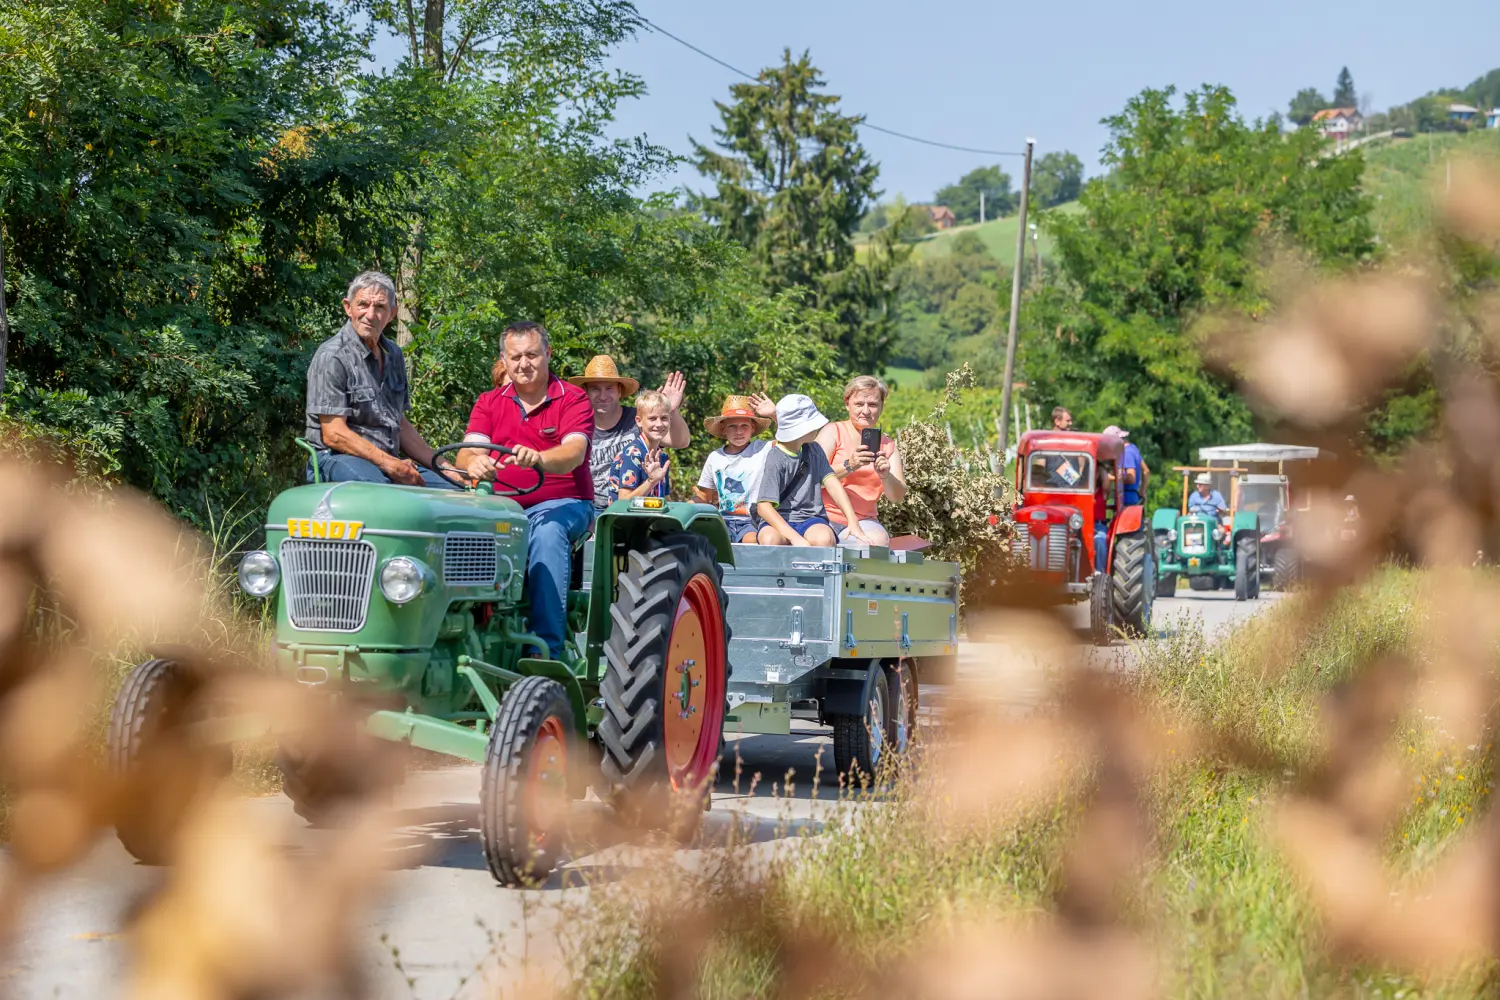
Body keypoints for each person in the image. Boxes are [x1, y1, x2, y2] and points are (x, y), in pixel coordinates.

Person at [459, 321, 595, 661]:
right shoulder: (489, 402)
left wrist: (540, 459)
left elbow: (573, 454)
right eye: (516, 356)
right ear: (503, 361)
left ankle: (545, 651)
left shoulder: (572, 398)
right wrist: (473, 463)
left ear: (547, 354)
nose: (524, 364)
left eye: (532, 354)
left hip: (564, 503)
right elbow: (466, 452)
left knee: (547, 533)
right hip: (500, 506)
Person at [303, 270, 459, 487]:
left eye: (379, 307)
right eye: (363, 304)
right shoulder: (333, 356)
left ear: (392, 313)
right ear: (348, 307)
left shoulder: (394, 355)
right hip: (335, 459)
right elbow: (334, 434)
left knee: (454, 489)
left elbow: (399, 424)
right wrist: (391, 465)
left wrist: (444, 467)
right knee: (379, 493)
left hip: (385, 461)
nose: (370, 314)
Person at [570, 355, 690, 510]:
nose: (603, 395)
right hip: (593, 508)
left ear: (619, 391)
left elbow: (681, 441)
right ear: (585, 392)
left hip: (638, 509)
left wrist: (671, 410)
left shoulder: (639, 420)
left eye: (609, 388)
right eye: (595, 389)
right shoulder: (577, 427)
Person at [755, 395, 871, 548]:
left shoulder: (815, 450)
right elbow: (763, 507)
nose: (817, 428)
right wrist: (795, 538)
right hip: (779, 519)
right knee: (770, 539)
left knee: (824, 539)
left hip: (810, 518)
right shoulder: (776, 458)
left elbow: (833, 484)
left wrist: (852, 521)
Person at [817, 375, 907, 546]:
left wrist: (886, 476)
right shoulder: (832, 432)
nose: (866, 411)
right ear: (847, 403)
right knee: (823, 540)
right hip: (823, 516)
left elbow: (897, 496)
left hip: (864, 519)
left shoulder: (888, 445)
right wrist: (849, 465)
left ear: (881, 407)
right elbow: (811, 477)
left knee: (878, 542)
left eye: (872, 404)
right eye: (859, 404)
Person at [694, 394, 776, 544]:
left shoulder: (762, 449)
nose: (739, 432)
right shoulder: (715, 457)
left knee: (751, 542)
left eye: (744, 426)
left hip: (752, 521)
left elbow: (790, 441)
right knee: (707, 541)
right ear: (723, 429)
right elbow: (704, 496)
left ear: (752, 428)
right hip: (722, 520)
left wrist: (774, 414)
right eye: (732, 426)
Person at [606, 389, 675, 503]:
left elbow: (666, 499)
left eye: (664, 418)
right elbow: (623, 502)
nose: (659, 424)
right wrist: (651, 481)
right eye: (652, 418)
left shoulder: (662, 457)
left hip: (651, 518)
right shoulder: (632, 454)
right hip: (625, 519)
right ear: (639, 421)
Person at [1103, 424, 1149, 506]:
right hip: (1133, 496)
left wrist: (1111, 477)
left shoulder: (1126, 453)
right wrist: (1142, 491)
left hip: (1127, 499)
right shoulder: (1133, 448)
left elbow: (1131, 478)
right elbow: (1146, 471)